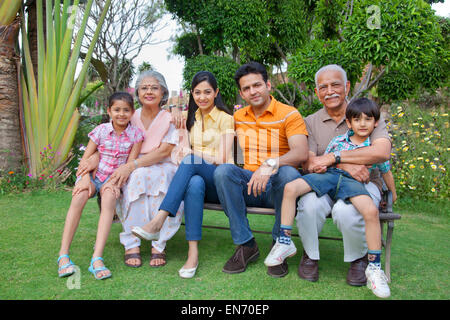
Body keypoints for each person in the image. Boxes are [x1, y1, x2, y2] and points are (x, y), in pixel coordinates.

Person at [265, 97, 397, 298]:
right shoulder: (339, 140)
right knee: (291, 188)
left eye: (368, 119)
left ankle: (373, 266)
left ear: (375, 122)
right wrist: (321, 165)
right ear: (349, 123)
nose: (362, 124)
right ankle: (284, 241)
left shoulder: (373, 146)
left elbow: (386, 171)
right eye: (357, 120)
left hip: (354, 183)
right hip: (330, 177)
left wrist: (392, 193)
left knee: (370, 210)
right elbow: (323, 160)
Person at [294, 65, 392, 288]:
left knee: (346, 210)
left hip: (365, 182)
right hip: (327, 181)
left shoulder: (366, 113)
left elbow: (381, 152)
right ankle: (310, 255)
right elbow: (309, 161)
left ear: (347, 87)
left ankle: (358, 260)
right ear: (317, 93)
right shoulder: (310, 121)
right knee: (309, 204)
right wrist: (344, 164)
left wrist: (333, 157)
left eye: (335, 85)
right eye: (323, 87)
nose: (330, 91)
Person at [131, 71, 235, 278]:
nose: (202, 97)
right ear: (192, 95)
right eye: (197, 93)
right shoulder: (190, 119)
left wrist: (191, 154)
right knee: (194, 183)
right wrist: (185, 151)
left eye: (207, 92)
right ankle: (192, 254)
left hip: (221, 180)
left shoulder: (226, 119)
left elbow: (223, 158)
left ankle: (158, 219)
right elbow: (182, 152)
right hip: (199, 178)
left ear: (216, 93)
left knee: (190, 162)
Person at [78, 70, 185, 268]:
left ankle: (158, 245)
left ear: (163, 92)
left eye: (154, 87)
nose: (149, 92)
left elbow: (164, 151)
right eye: (144, 88)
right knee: (135, 179)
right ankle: (131, 243)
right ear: (137, 92)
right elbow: (110, 141)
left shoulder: (170, 117)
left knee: (160, 179)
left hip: (159, 163)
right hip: (130, 163)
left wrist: (131, 165)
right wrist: (95, 158)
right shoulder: (129, 114)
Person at [213, 61, 309, 277]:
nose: (252, 91)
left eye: (257, 85)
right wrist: (183, 119)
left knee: (289, 173)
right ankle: (246, 244)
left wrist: (269, 164)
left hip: (279, 187)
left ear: (268, 85)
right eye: (246, 88)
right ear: (241, 93)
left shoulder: (289, 113)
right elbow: (212, 125)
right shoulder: (238, 117)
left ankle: (279, 244)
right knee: (223, 172)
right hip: (249, 185)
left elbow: (301, 153)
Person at [57, 92, 144, 280]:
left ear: (132, 112)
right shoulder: (101, 131)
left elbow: (129, 165)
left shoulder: (136, 135)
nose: (121, 114)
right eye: (117, 110)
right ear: (109, 111)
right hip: (93, 176)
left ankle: (97, 258)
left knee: (109, 199)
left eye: (126, 110)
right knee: (79, 196)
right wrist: (86, 179)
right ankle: (63, 256)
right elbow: (86, 158)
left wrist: (114, 184)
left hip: (114, 180)